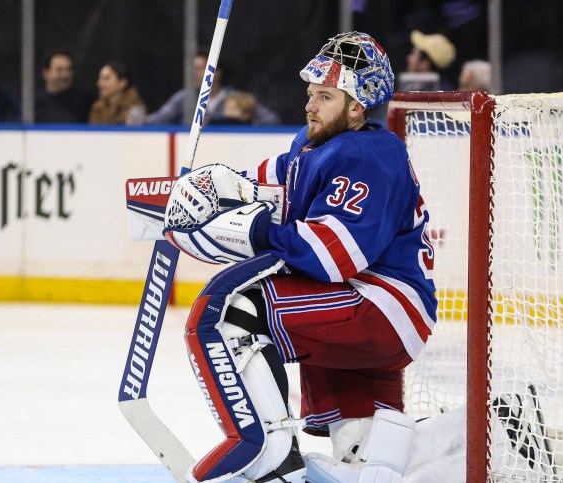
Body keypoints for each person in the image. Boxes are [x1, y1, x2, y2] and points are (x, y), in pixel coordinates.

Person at [161, 32, 438, 482]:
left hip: (379, 306)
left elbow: (334, 255)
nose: (309, 105)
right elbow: (265, 184)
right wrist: (211, 190)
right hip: (369, 306)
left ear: (356, 106)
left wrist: (249, 230)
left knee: (237, 312)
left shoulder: (369, 155)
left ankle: (268, 455)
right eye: (310, 93)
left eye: (324, 96)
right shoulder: (316, 142)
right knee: (367, 458)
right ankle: (477, 441)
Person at [145, 47, 280, 125]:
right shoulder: (184, 98)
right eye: (193, 69)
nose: (194, 73)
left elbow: (272, 120)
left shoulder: (235, 97)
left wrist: (244, 120)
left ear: (217, 72)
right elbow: (158, 119)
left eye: (200, 68)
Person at [35, 50, 94, 123]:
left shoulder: (84, 102)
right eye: (59, 70)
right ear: (46, 73)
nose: (65, 75)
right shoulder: (34, 102)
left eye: (69, 70)